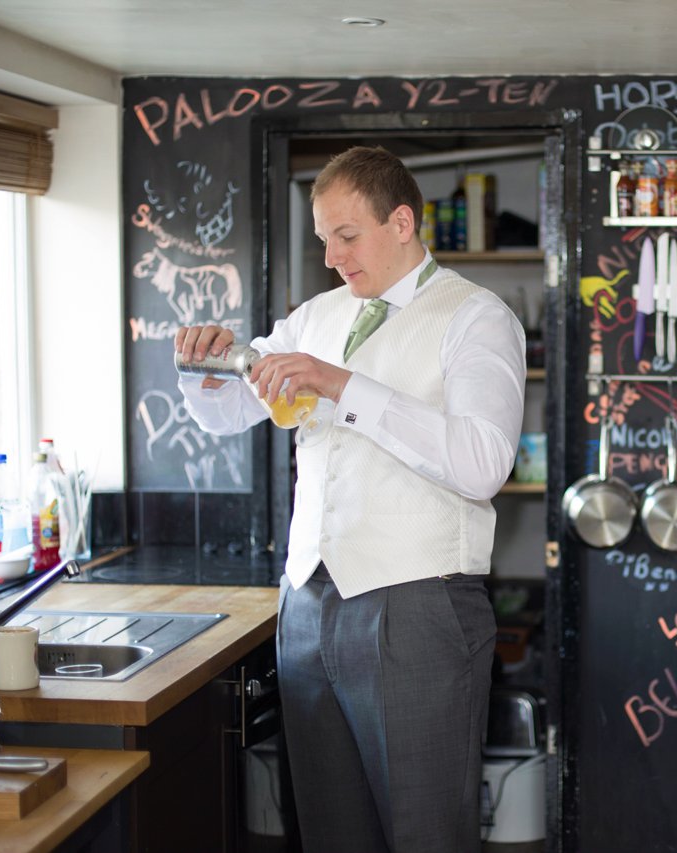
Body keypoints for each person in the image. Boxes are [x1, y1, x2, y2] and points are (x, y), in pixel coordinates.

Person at [175, 146, 526, 853]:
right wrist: (199, 369)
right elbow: (225, 413)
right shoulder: (316, 317)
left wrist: (344, 387)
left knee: (426, 834)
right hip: (308, 608)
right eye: (323, 240)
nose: (333, 256)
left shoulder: (474, 317)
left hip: (418, 609)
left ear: (401, 222)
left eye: (347, 235)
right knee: (333, 833)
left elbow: (482, 462)